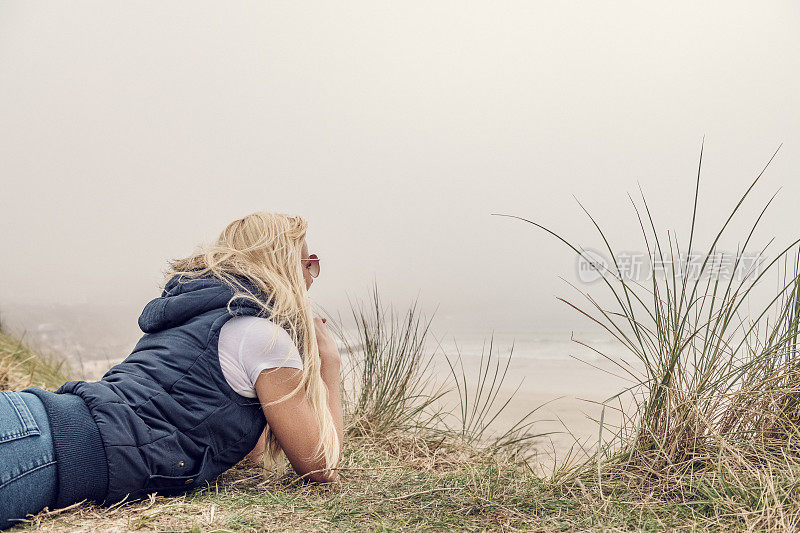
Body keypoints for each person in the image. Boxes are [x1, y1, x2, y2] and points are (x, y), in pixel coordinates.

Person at [0, 212, 343, 530]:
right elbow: (321, 465)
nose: (311, 275)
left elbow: (244, 454)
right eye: (308, 262)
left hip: (34, 418)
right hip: (51, 449)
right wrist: (329, 366)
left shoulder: (186, 317)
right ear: (281, 263)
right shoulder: (261, 335)